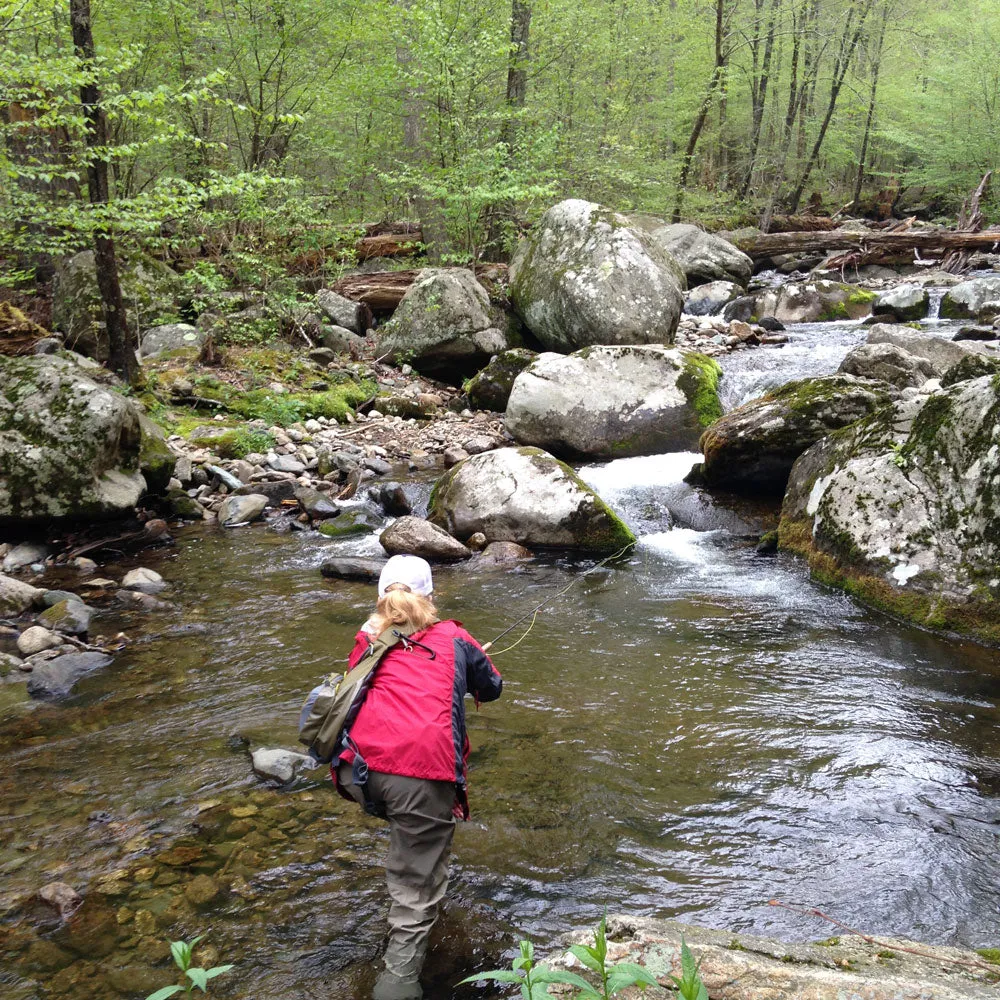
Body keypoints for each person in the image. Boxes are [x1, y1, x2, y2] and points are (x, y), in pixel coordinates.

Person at [335, 554, 502, 1000]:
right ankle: (398, 983)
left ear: (382, 596)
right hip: (418, 775)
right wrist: (472, 659)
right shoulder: (456, 638)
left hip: (356, 772)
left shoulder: (368, 636)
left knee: (410, 830)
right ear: (431, 595)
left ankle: (411, 851)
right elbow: (492, 688)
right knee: (416, 886)